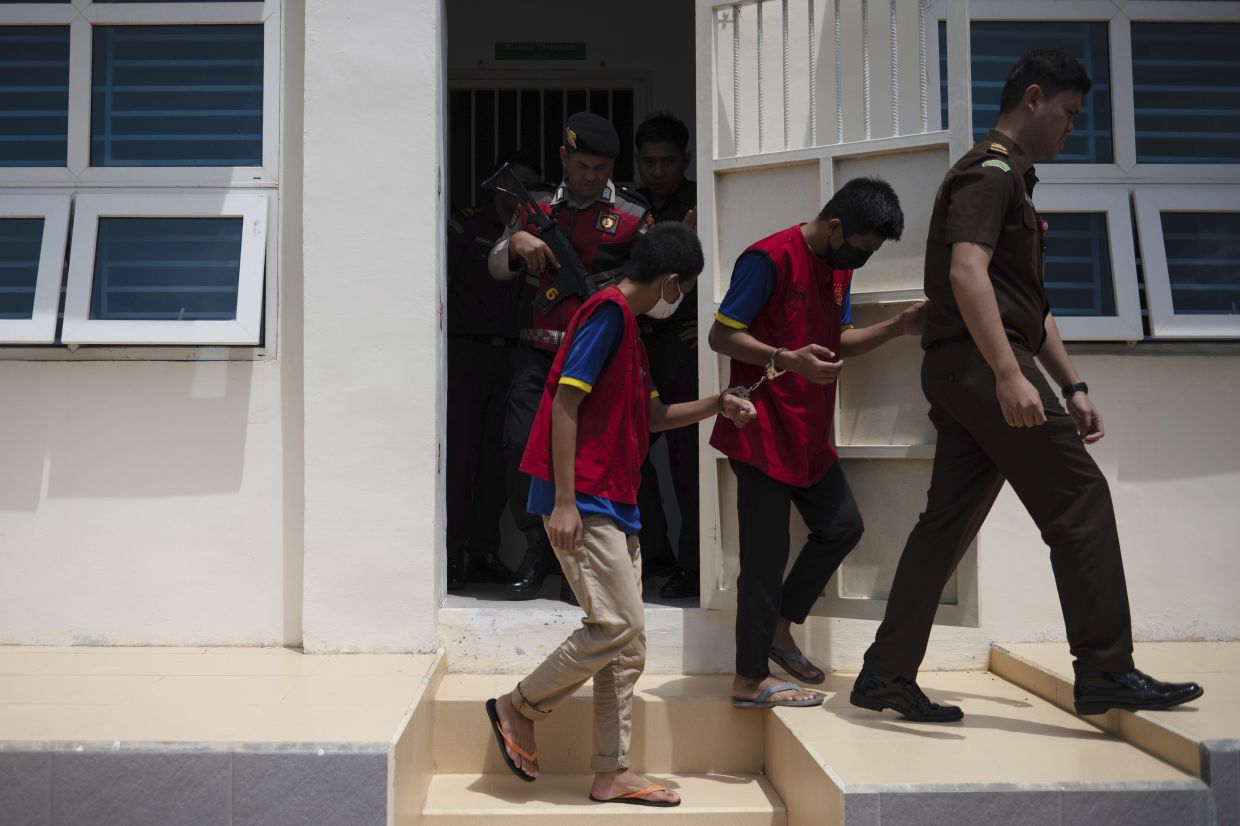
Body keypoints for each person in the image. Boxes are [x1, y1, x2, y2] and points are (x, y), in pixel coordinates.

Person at [852, 50, 1203, 722]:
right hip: (986, 368)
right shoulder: (989, 174)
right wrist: (1011, 375)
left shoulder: (1013, 180)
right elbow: (966, 273)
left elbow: (1029, 305)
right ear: (1034, 98)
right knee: (1081, 499)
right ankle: (1105, 670)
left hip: (970, 366)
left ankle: (886, 674)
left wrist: (1071, 383)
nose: (1073, 128)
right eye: (1069, 114)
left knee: (944, 525)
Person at [485, 223, 757, 806]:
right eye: (682, 289)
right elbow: (564, 401)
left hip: (616, 501)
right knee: (619, 626)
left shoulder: (629, 331)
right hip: (583, 499)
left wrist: (717, 404)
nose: (678, 299)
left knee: (625, 648)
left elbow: (653, 418)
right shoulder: (607, 316)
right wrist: (562, 500)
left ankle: (611, 772)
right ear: (670, 281)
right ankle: (519, 705)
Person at [709, 177, 920, 709]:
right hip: (759, 427)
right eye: (861, 249)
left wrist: (897, 327)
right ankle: (748, 679)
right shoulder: (767, 259)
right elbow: (720, 335)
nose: (862, 261)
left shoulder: (838, 266)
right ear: (834, 227)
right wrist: (785, 359)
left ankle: (780, 628)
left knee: (842, 526)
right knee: (765, 557)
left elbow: (837, 340)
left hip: (809, 433)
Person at [489, 112, 655, 603]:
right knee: (518, 448)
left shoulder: (632, 214)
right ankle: (538, 547)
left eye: (602, 167)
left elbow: (658, 292)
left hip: (599, 360)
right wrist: (515, 241)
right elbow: (497, 267)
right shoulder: (535, 205)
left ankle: (575, 565)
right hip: (537, 351)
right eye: (583, 165)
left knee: (591, 459)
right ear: (563, 157)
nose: (592, 176)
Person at [444, 151, 541, 591]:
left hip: (513, 357)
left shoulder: (540, 235)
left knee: (501, 460)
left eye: (530, 186)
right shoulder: (468, 228)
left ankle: (482, 550)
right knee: (460, 460)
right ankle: (450, 556)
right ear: (499, 186)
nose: (521, 193)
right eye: (514, 183)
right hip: (467, 356)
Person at [632, 112, 702, 599]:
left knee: (687, 463)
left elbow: (732, 261)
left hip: (681, 345)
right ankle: (651, 557)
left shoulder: (704, 200)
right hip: (633, 343)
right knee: (629, 455)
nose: (657, 171)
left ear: (686, 160)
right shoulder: (625, 205)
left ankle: (694, 567)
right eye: (649, 161)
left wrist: (715, 319)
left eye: (668, 162)